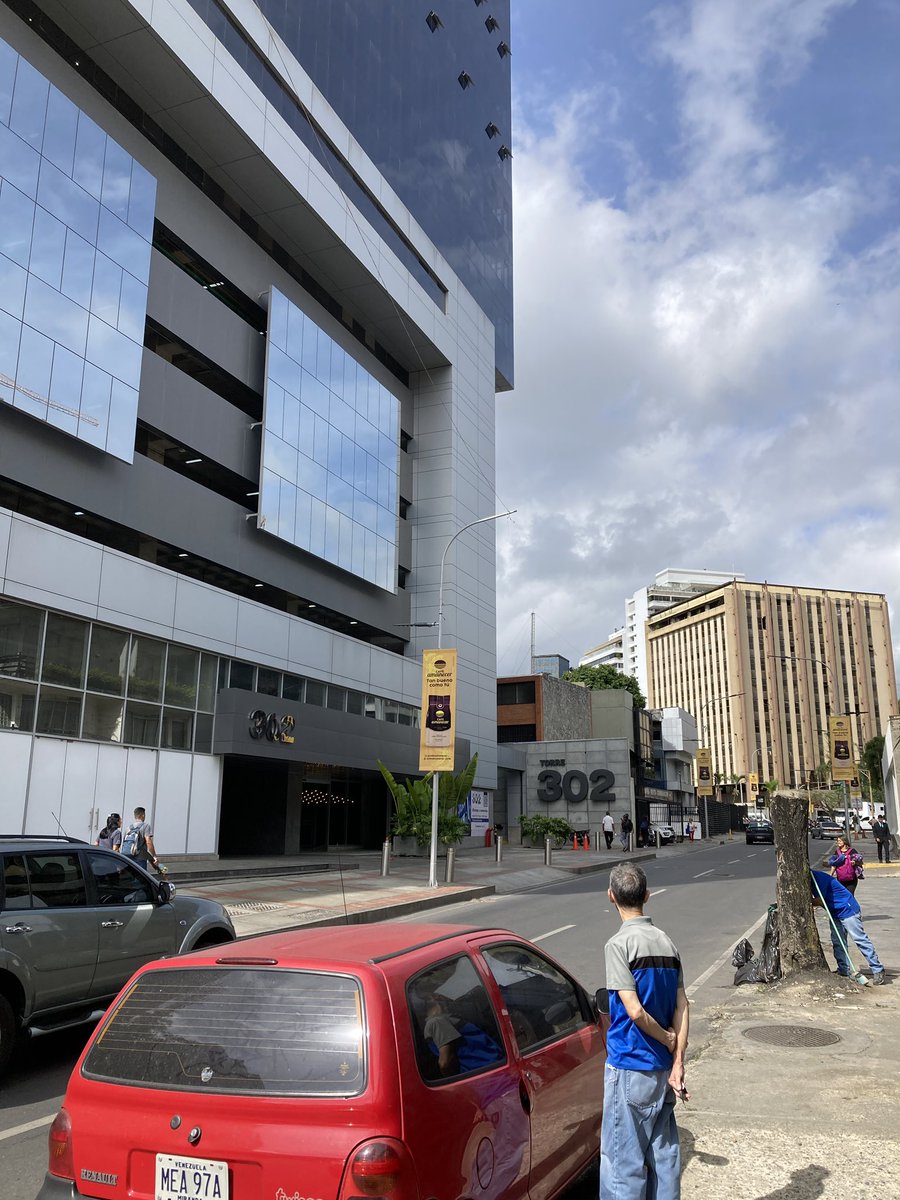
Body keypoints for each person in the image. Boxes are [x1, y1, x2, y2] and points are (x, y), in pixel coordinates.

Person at [601, 862, 688, 1200]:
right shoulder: (667, 943)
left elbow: (634, 1010)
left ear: (611, 897)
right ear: (647, 896)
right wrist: (677, 1058)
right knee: (664, 1157)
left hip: (629, 1067)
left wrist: (667, 1039)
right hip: (664, 1069)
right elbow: (683, 1006)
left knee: (623, 1164)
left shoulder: (618, 946)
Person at [810, 869, 885, 984]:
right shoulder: (809, 881)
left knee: (860, 939)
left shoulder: (817, 878)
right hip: (834, 912)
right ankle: (844, 970)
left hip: (847, 909)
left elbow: (820, 900)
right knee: (838, 942)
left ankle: (878, 969)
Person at [423, 994, 503, 1077]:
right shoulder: (435, 1022)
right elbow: (445, 1062)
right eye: (437, 997)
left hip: (488, 1068)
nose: (444, 999)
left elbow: (445, 1063)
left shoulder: (443, 1019)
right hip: (487, 1069)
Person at [121, 806, 159, 870]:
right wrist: (154, 856)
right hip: (140, 858)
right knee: (141, 877)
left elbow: (123, 843)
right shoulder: (145, 826)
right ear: (143, 815)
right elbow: (148, 842)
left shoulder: (128, 828)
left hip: (127, 856)